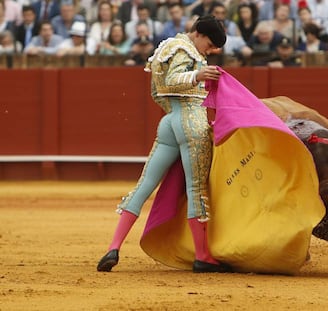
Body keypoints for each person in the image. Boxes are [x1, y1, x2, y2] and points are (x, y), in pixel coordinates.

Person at [97, 15, 232, 273]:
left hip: (170, 121)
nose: (211, 50)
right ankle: (203, 256)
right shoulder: (186, 50)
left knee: (145, 183)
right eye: (211, 44)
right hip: (191, 121)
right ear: (200, 34)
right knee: (196, 188)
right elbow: (172, 80)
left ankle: (113, 246)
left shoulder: (168, 46)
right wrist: (198, 74)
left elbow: (158, 91)